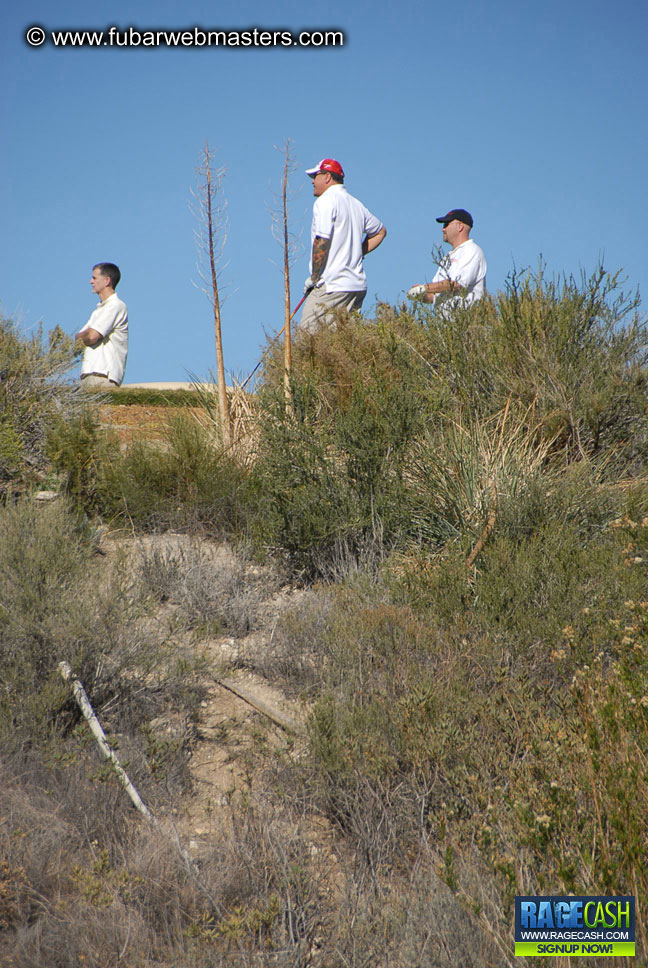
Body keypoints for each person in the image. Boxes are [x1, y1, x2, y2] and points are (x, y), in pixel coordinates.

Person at [299, 158, 386, 333]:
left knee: (306, 341)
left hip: (332, 285)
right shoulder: (356, 204)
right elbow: (380, 231)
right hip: (356, 286)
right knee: (341, 342)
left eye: (315, 175)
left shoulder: (325, 201)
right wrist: (355, 253)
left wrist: (314, 278)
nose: (312, 181)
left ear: (327, 177)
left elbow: (321, 241)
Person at [408, 208, 486, 311]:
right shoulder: (447, 258)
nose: (443, 229)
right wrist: (421, 295)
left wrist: (424, 288)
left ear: (460, 227)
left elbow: (457, 283)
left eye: (446, 225)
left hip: (466, 322)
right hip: (444, 324)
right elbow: (434, 296)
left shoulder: (471, 250)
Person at [76, 262, 128, 387]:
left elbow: (92, 336)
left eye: (94, 278)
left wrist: (86, 335)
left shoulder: (115, 305)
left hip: (103, 375)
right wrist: (84, 336)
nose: (91, 281)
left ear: (107, 281)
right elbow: (77, 340)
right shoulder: (99, 310)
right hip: (90, 374)